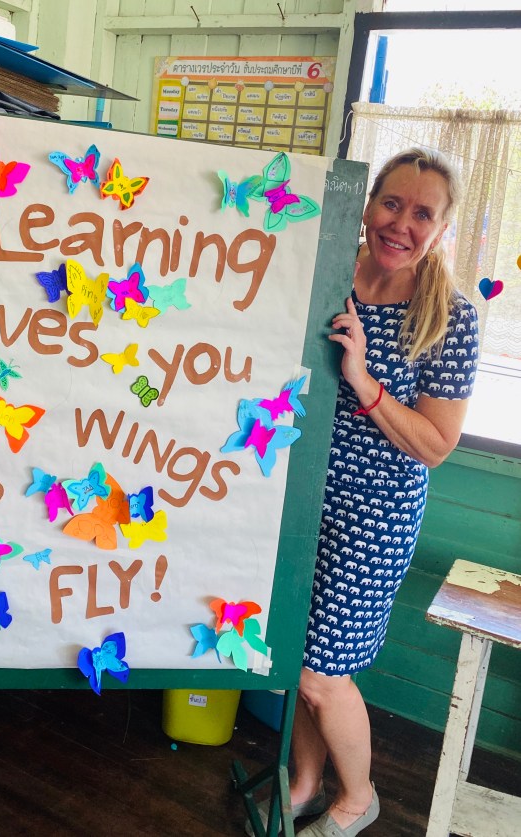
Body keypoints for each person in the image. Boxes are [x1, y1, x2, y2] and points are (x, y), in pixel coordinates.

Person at [247, 147, 480, 837]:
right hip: (294, 499)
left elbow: (435, 445)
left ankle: (357, 798)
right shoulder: (323, 273)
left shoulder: (450, 317)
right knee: (293, 655)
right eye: (391, 203)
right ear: (367, 203)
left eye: (422, 214)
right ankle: (305, 783)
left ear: (442, 229)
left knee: (321, 674)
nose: (401, 223)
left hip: (372, 519)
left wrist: (363, 379)